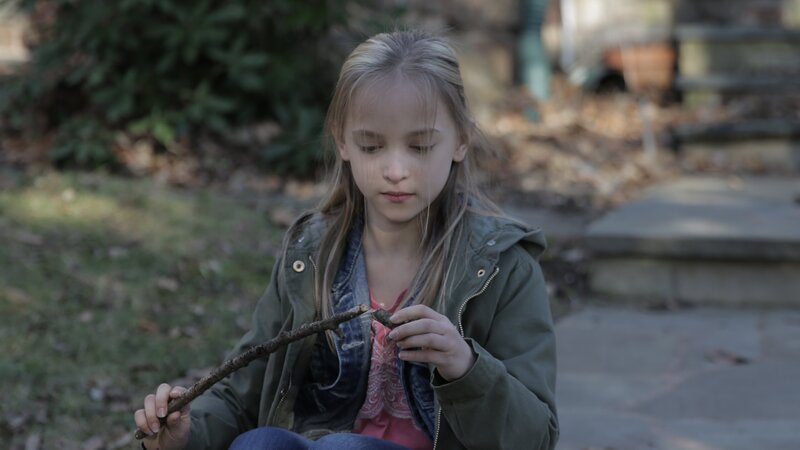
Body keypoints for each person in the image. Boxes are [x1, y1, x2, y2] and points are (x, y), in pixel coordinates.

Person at [134, 29, 558, 450]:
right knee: (259, 443)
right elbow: (246, 391)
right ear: (342, 142)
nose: (395, 169)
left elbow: (536, 437)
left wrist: (466, 367)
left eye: (420, 146)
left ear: (461, 140)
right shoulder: (312, 254)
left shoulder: (503, 267)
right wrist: (186, 435)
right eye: (372, 147)